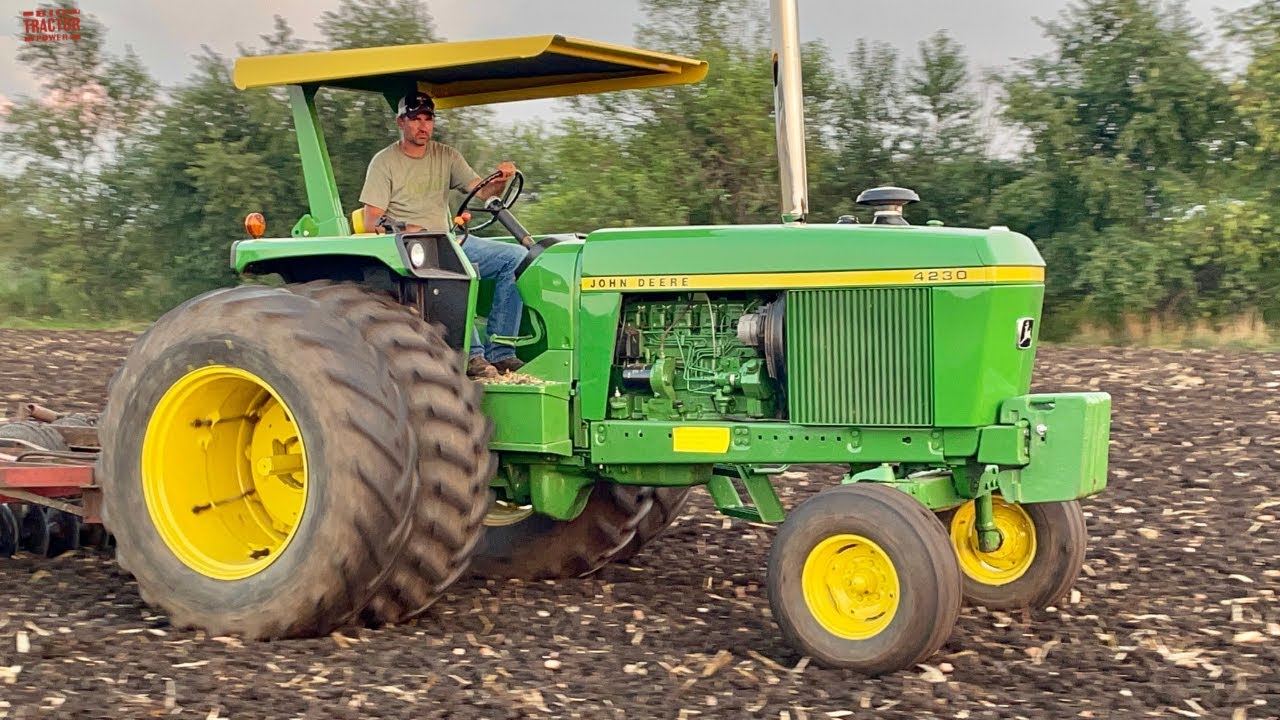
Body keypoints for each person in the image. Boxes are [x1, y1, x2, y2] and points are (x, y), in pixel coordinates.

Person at [359, 90, 527, 379]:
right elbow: (370, 218)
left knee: (517, 258)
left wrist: (501, 180)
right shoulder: (384, 162)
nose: (422, 126)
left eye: (428, 119)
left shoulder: (446, 155)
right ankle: (473, 356)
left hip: (449, 239)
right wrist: (407, 227)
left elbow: (483, 191)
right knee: (454, 266)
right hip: (411, 249)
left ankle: (501, 352)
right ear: (401, 123)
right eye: (415, 119)